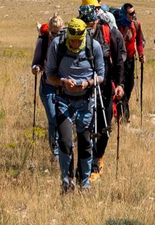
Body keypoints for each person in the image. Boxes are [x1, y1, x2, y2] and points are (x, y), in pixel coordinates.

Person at [34, 17, 106, 191]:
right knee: (65, 142)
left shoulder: (93, 46)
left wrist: (87, 83)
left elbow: (101, 76)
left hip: (86, 101)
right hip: (63, 100)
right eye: (72, 40)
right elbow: (49, 75)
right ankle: (67, 182)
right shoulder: (57, 46)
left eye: (78, 40)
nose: (74, 43)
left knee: (85, 142)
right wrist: (63, 82)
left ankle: (85, 182)